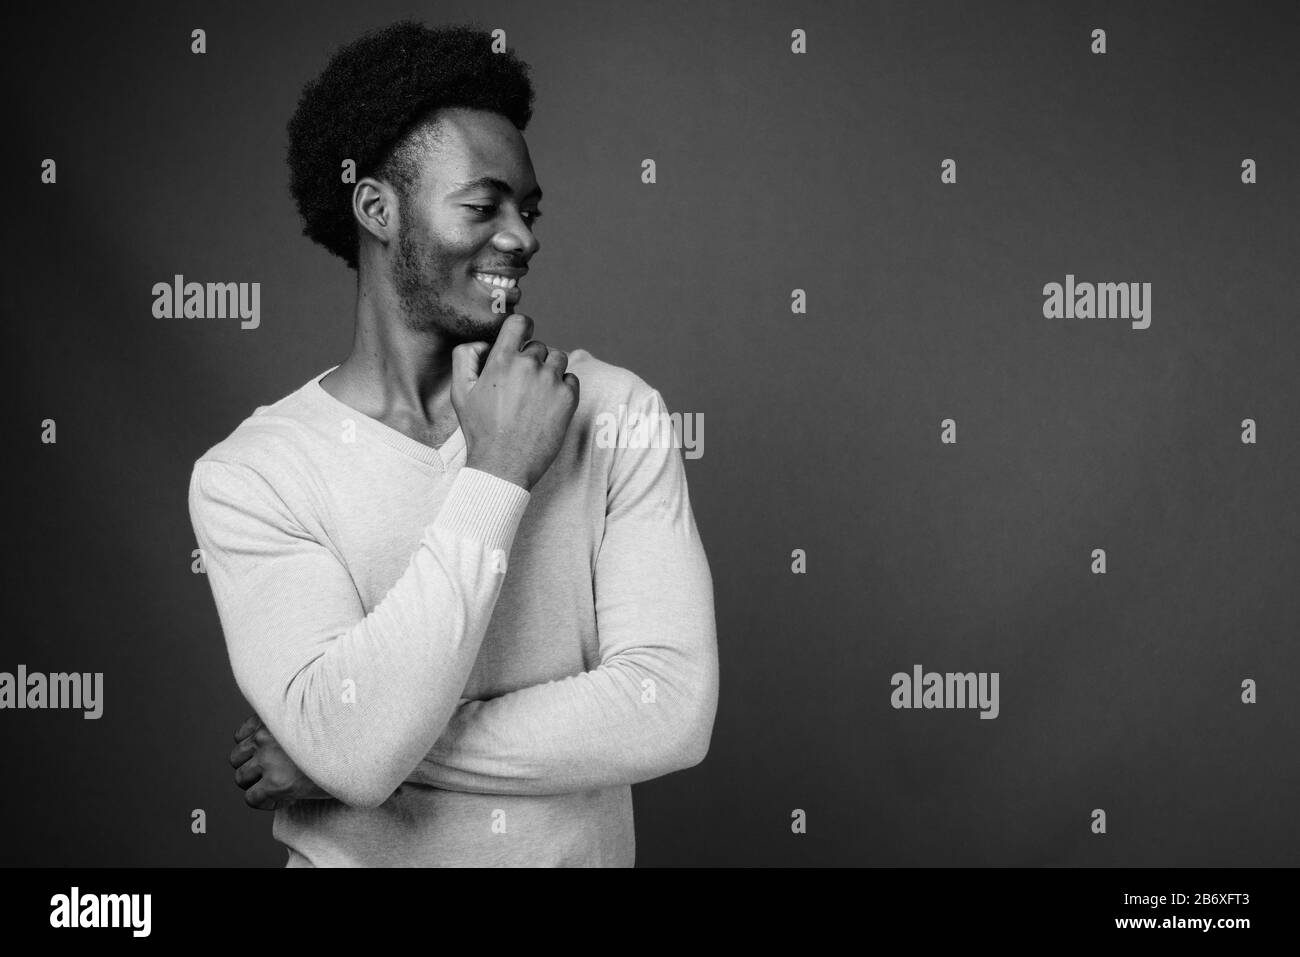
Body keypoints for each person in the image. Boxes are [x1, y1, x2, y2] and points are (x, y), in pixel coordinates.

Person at [187, 19, 719, 867]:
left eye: (529, 209)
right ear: (377, 208)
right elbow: (352, 746)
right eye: (482, 205)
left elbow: (672, 708)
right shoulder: (254, 474)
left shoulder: (616, 412)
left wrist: (336, 755)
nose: (522, 236)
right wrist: (498, 472)